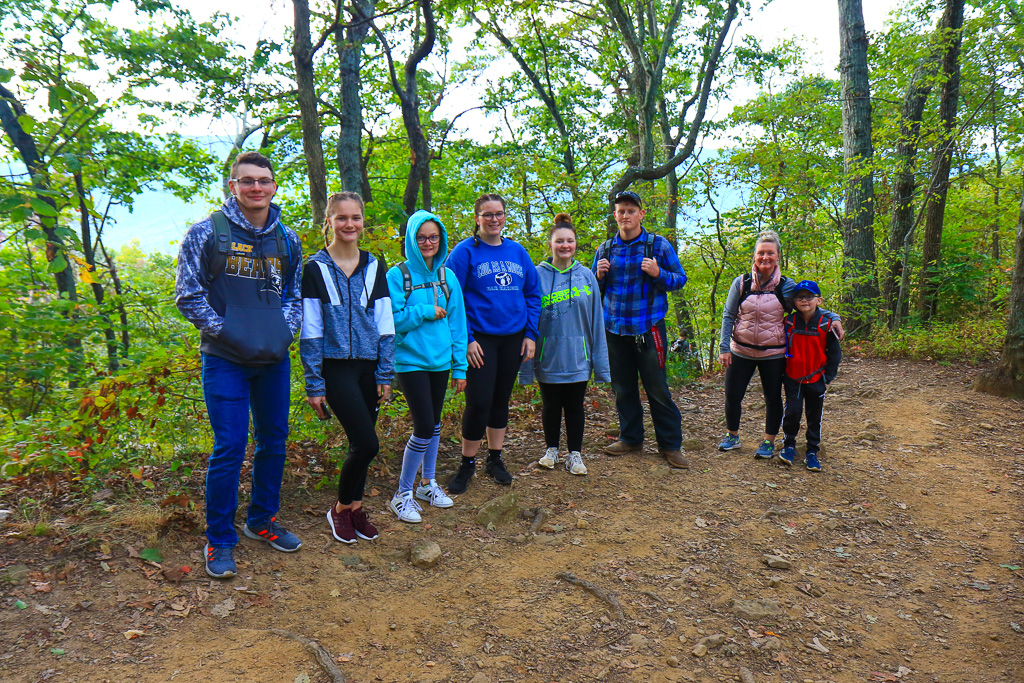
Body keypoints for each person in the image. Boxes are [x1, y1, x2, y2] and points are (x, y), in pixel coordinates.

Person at [175, 151, 303, 579]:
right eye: (246, 181)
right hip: (225, 359)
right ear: (233, 186)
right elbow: (188, 296)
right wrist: (231, 335)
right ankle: (219, 540)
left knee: (274, 441)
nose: (256, 188)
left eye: (263, 181)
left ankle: (261, 520)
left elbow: (294, 296)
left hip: (273, 360)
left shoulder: (288, 239)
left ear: (273, 186)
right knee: (229, 447)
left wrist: (285, 333)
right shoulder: (205, 234)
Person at [300, 191, 395, 544]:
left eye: (355, 218)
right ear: (329, 221)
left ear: (362, 221)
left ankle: (355, 508)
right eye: (341, 218)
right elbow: (310, 329)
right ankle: (339, 509)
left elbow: (385, 323)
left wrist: (385, 372)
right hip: (335, 368)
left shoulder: (374, 265)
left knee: (360, 444)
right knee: (367, 443)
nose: (349, 224)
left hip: (369, 368)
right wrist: (314, 383)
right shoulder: (315, 269)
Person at [445, 193, 541, 493]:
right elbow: (451, 298)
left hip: (513, 338)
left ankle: (495, 459)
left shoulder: (517, 251)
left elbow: (533, 294)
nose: (494, 219)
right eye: (487, 215)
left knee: (500, 401)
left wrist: (530, 333)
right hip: (480, 339)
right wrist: (467, 340)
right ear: (477, 218)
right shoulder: (464, 253)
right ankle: (467, 464)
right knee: (478, 402)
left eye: (498, 214)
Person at [717, 231, 842, 459]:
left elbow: (807, 304)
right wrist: (724, 348)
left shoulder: (786, 286)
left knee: (772, 398)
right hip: (740, 350)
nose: (765, 257)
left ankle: (768, 441)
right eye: (761, 253)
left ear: (778, 257)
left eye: (770, 253)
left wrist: (833, 316)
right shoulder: (741, 283)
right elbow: (728, 315)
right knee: (732, 395)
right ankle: (732, 436)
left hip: (773, 354)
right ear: (754, 255)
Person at [592, 190, 689, 469]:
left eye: (631, 211)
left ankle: (671, 445)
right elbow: (591, 291)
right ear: (615, 216)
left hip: (649, 328)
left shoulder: (657, 246)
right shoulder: (605, 249)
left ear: (641, 214)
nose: (626, 215)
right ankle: (631, 438)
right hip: (614, 329)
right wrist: (598, 276)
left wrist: (659, 274)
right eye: (621, 211)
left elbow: (679, 279)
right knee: (622, 388)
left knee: (657, 388)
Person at [386, 210, 468, 523]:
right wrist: (422, 311)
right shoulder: (398, 275)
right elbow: (392, 321)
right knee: (423, 426)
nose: (428, 243)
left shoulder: (449, 277)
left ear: (441, 239)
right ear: (411, 239)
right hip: (410, 362)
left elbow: (459, 325)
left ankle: (426, 483)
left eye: (433, 237)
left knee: (434, 424)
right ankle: (402, 493)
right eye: (421, 237)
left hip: (441, 362)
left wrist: (460, 367)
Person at [520, 213, 610, 476]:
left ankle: (575, 454)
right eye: (559, 241)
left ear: (575, 244)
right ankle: (551, 450)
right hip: (548, 356)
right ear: (550, 244)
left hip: (578, 357)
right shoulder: (536, 276)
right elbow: (528, 317)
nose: (565, 246)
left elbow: (596, 321)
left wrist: (600, 363)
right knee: (550, 405)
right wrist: (526, 361)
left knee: (574, 406)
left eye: (569, 241)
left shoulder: (587, 277)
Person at [779, 280, 842, 471]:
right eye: (800, 297)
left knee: (814, 415)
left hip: (816, 378)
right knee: (792, 412)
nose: (804, 300)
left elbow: (834, 353)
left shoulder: (827, 323)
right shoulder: (788, 322)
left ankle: (812, 451)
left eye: (809, 296)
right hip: (793, 377)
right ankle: (789, 445)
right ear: (794, 301)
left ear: (819, 300)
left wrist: (828, 379)